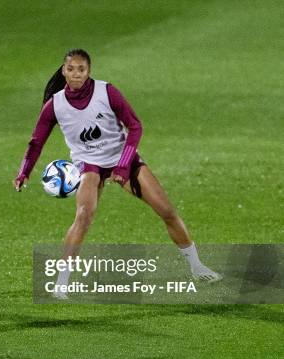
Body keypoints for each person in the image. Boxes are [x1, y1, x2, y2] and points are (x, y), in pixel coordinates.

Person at [14, 49, 222, 296]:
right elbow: (36, 142)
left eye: (81, 69)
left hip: (121, 158)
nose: (76, 74)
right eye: (71, 69)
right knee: (83, 215)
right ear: (63, 71)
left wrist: (123, 166)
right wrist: (24, 171)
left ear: (89, 71)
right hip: (88, 165)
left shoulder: (106, 92)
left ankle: (196, 266)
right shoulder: (55, 105)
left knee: (167, 211)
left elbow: (135, 126)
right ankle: (61, 282)